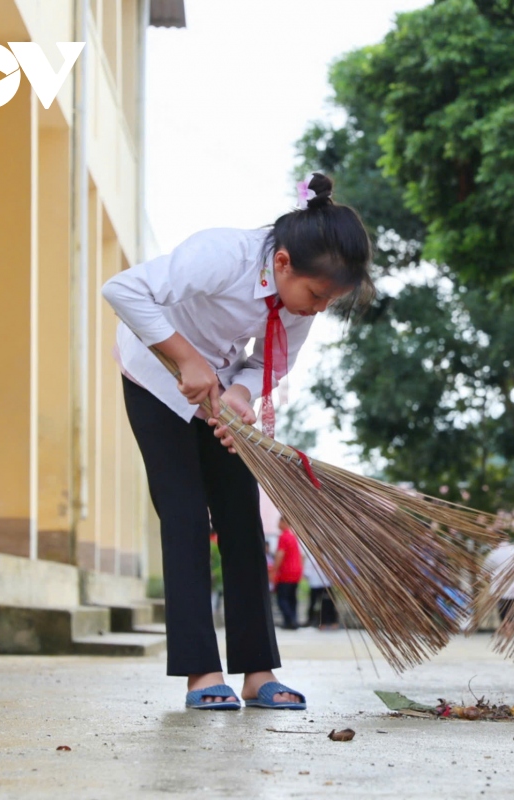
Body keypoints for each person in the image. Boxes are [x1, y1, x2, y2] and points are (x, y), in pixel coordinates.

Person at [102, 173, 372, 711]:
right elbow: (123, 289)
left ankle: (258, 672)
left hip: (217, 392)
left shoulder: (300, 305)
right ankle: (202, 673)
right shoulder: (222, 254)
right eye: (317, 295)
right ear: (282, 263)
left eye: (331, 301)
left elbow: (270, 362)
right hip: (154, 377)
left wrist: (243, 395)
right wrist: (185, 358)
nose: (319, 308)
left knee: (241, 519)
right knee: (184, 517)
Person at [270, 517, 303, 631]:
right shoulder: (293, 536)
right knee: (292, 597)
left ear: (284, 522)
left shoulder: (283, 536)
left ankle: (290, 621)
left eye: (279, 521)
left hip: (286, 572)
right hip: (296, 571)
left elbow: (280, 554)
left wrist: (274, 570)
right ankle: (293, 619)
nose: (278, 524)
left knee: (282, 598)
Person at [482, 541, 514, 622]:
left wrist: (488, 580)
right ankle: (509, 627)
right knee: (511, 607)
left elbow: (485, 570)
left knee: (502, 609)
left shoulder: (494, 553)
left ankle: (505, 626)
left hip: (498, 587)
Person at [303, 548, 338, 630]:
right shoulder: (312, 557)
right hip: (317, 583)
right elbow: (307, 571)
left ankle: (329, 622)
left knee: (327, 604)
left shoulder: (328, 557)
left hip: (325, 583)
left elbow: (333, 570)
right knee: (315, 603)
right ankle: (314, 621)